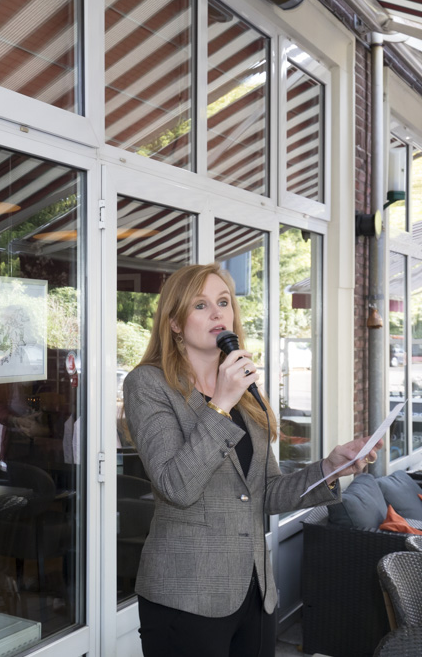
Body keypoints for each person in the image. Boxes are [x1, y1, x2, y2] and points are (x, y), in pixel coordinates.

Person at [122, 263, 381, 657]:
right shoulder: (148, 384)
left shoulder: (245, 394)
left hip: (255, 591)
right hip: (186, 595)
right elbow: (176, 486)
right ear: (174, 322)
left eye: (223, 302)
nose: (217, 313)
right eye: (201, 305)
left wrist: (329, 469)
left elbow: (267, 492)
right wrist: (220, 403)